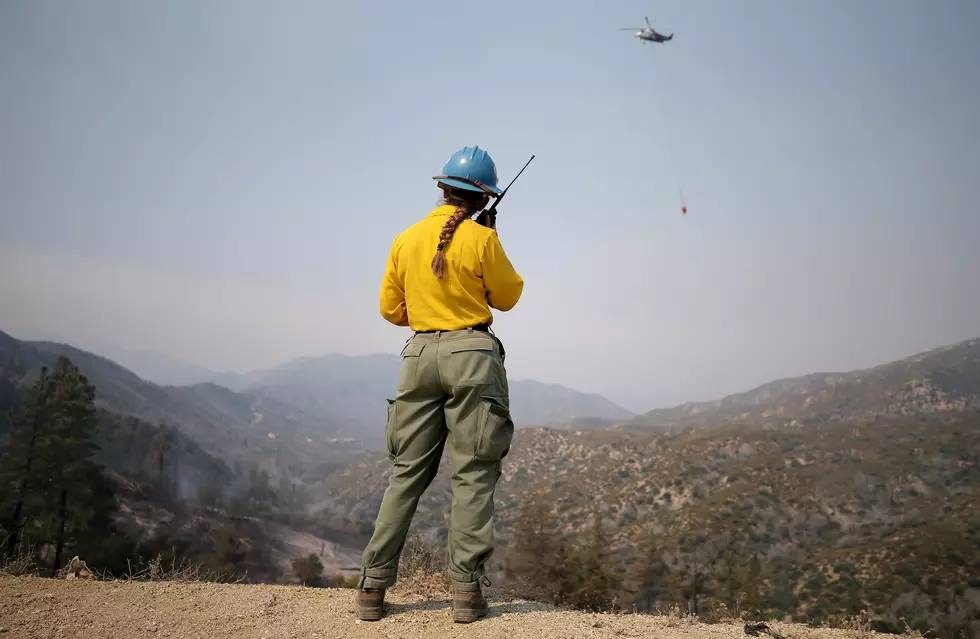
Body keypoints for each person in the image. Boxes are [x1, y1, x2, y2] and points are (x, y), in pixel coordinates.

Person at [356, 145, 525, 624]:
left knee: (406, 472)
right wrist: (487, 240)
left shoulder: (405, 239)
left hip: (417, 357)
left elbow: (392, 311)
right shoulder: (480, 239)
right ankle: (466, 597)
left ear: (443, 188)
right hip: (471, 356)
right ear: (481, 197)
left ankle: (371, 588)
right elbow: (509, 297)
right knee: (472, 473)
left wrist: (430, 314)